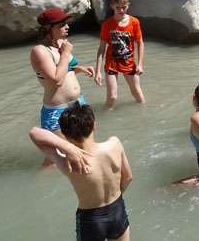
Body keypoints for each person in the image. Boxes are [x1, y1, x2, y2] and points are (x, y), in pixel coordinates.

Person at [29, 102, 133, 241]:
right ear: (94, 126)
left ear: (65, 135)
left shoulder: (70, 164)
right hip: (117, 210)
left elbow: (34, 133)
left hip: (91, 219)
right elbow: (128, 177)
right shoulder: (114, 144)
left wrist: (66, 147)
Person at [30, 7, 94, 166]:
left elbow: (65, 70)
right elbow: (56, 80)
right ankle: (41, 186)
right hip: (57, 110)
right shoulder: (40, 51)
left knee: (85, 149)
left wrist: (79, 69)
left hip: (78, 103)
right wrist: (65, 53)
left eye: (66, 23)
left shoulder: (61, 44)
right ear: (47, 28)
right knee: (57, 158)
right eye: (61, 25)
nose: (67, 27)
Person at [94, 0, 145, 110]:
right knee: (112, 97)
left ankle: (143, 115)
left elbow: (140, 43)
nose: (121, 10)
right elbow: (101, 49)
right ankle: (104, 116)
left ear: (128, 5)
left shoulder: (134, 22)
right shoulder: (107, 24)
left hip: (128, 63)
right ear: (112, 6)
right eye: (118, 7)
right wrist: (97, 71)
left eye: (124, 7)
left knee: (137, 94)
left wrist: (140, 64)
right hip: (111, 64)